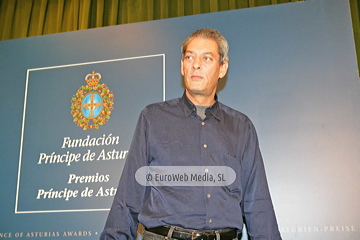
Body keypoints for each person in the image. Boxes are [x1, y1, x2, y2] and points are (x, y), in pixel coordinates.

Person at [100, 29, 282, 240]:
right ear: (182, 66)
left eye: (206, 58)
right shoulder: (153, 118)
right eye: (189, 57)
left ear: (222, 68)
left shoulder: (242, 127)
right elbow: (128, 196)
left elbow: (257, 204)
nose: (196, 64)